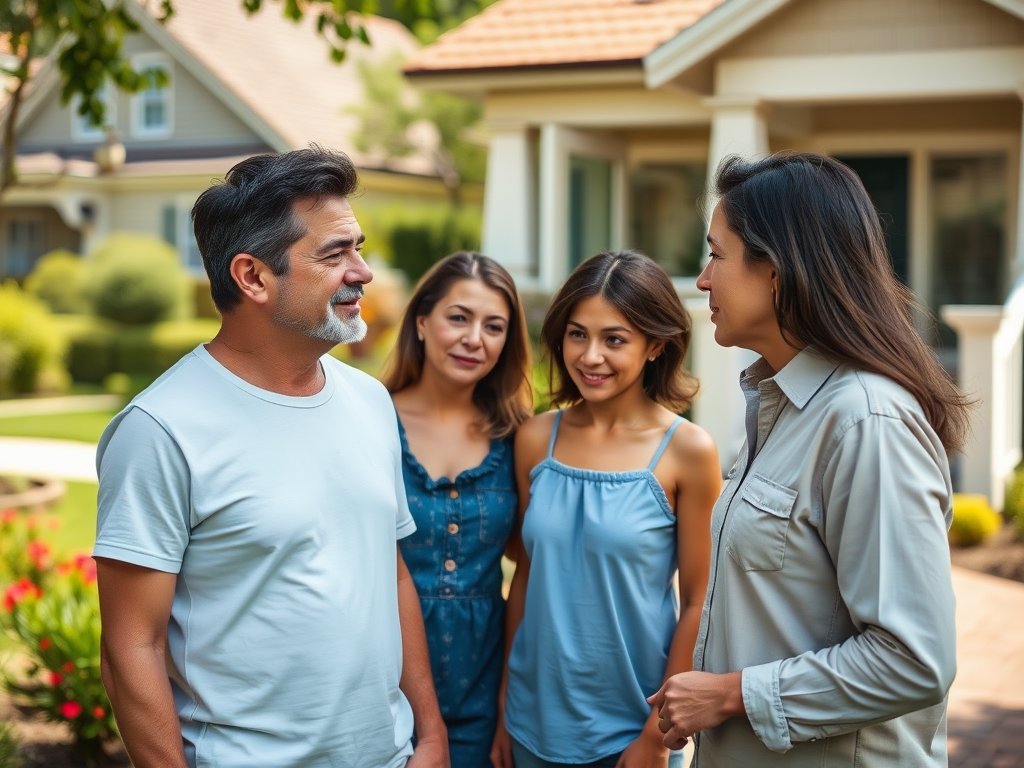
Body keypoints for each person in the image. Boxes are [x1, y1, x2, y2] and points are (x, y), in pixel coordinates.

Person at [93, 148, 448, 768]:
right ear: (253, 277)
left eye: (357, 248)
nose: (363, 272)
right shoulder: (160, 430)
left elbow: (389, 573)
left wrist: (430, 737)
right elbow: (131, 646)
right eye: (335, 255)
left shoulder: (369, 401)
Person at [648, 153, 971, 767]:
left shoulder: (866, 421)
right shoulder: (781, 404)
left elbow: (915, 658)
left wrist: (731, 695)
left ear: (777, 269)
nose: (702, 280)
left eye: (716, 254)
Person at [492, 251, 722, 768]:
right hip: (531, 723)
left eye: (614, 339)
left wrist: (657, 734)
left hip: (631, 730)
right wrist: (506, 700)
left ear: (656, 345)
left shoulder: (688, 451)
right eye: (577, 334)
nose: (590, 356)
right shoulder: (535, 440)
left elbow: (698, 602)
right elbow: (526, 576)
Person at [383, 251, 533, 768]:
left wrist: (509, 699)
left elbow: (530, 563)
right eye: (459, 318)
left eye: (495, 326)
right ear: (422, 322)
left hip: (484, 685)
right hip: (378, 681)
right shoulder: (369, 419)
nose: (475, 339)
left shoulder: (519, 436)